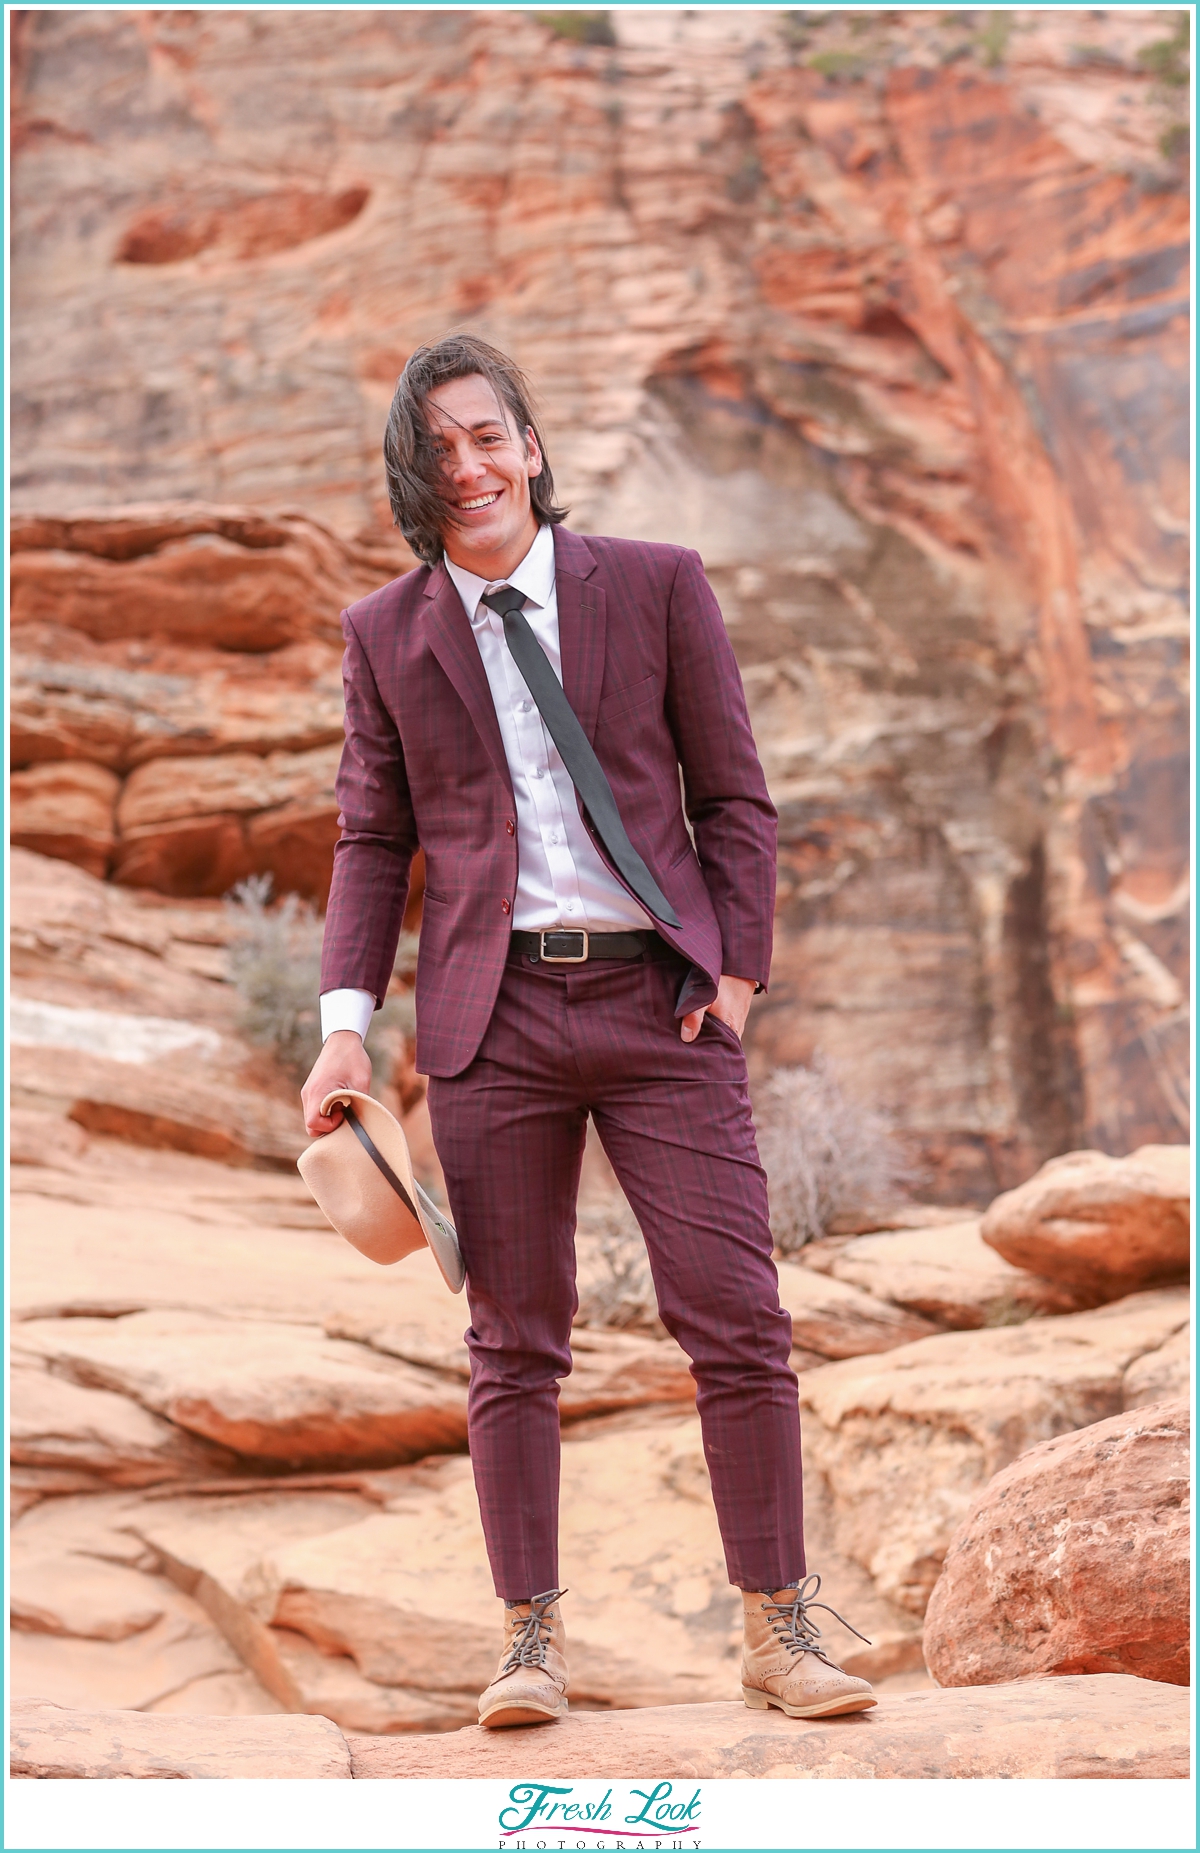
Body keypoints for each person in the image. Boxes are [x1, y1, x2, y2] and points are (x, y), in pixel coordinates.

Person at [301, 333, 875, 1727]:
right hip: (491, 1020)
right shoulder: (390, 632)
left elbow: (736, 797)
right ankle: (530, 1642)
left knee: (737, 1317)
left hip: (661, 1002)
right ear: (413, 483)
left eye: (489, 437)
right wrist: (342, 1027)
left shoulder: (658, 585)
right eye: (439, 454)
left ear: (534, 446)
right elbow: (372, 839)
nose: (472, 468)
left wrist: (734, 976)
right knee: (514, 1339)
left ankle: (777, 1628)